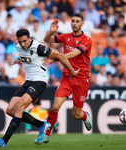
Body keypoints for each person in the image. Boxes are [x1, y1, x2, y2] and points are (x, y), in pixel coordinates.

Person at [0, 28, 78, 148]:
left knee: (20, 107)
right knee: (10, 110)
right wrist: (20, 59)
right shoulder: (19, 47)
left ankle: (4, 140)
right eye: (20, 42)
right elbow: (26, 54)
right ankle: (41, 124)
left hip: (39, 81)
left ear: (30, 38)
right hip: (28, 81)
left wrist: (72, 72)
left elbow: (60, 56)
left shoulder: (39, 48)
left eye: (25, 41)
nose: (23, 44)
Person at [34, 13, 92, 144]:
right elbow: (47, 39)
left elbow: (72, 54)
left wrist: (53, 58)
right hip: (67, 77)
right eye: (73, 21)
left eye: (77, 21)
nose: (74, 23)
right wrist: (51, 32)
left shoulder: (87, 40)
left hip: (81, 79)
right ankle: (46, 135)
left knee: (76, 115)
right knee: (55, 107)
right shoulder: (66, 37)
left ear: (82, 24)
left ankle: (85, 115)